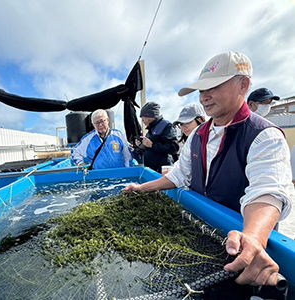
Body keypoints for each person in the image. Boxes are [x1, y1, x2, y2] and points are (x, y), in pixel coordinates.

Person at [124, 51, 294, 286]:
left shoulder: (265, 136)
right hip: (203, 234)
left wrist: (253, 237)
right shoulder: (197, 135)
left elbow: (267, 193)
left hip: (238, 246)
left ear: (243, 85)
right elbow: (179, 175)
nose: (204, 97)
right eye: (202, 91)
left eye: (213, 87)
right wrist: (142, 187)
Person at [134, 102, 179, 173]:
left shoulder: (167, 126)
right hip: (152, 171)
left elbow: (173, 148)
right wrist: (140, 146)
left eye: (144, 117)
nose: (142, 120)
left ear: (151, 115)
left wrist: (152, 145)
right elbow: (149, 151)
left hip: (163, 172)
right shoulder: (150, 131)